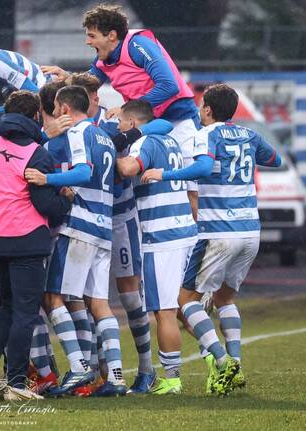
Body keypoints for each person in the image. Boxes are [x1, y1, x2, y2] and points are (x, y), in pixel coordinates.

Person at [141, 84, 282, 396]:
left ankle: (221, 360)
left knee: (186, 300)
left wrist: (162, 174)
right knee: (225, 299)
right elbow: (276, 160)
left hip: (219, 231)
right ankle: (236, 364)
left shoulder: (206, 134)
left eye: (201, 106)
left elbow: (204, 166)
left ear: (207, 110)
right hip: (250, 232)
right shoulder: (248, 134)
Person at [43, 4, 201, 218]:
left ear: (112, 35)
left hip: (178, 121)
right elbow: (88, 85)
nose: (87, 41)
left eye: (92, 35)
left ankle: (194, 247)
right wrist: (67, 77)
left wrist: (127, 107)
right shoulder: (103, 59)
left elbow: (168, 85)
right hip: (148, 125)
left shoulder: (137, 45)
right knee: (142, 188)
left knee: (189, 194)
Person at [0, 90, 73, 401]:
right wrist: (65, 200)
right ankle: (15, 381)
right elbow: (44, 202)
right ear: (36, 116)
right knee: (25, 313)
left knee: (8, 307)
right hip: (27, 239)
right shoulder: (37, 152)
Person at [25, 86, 125, 397]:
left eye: (56, 108)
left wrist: (48, 179)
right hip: (104, 225)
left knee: (52, 296)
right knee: (98, 302)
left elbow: (83, 172)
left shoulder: (80, 132)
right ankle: (116, 376)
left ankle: (79, 366)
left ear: (66, 108)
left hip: (80, 224)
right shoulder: (103, 135)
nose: (54, 114)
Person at [67, 72, 159, 393]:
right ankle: (97, 369)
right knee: (84, 296)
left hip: (120, 218)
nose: (96, 101)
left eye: (95, 95)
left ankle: (146, 369)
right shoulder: (75, 131)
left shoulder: (112, 126)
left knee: (130, 297)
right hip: (89, 219)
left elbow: (156, 127)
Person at [116, 100, 197, 395]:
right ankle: (220, 358)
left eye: (122, 124)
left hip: (162, 237)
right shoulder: (170, 139)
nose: (120, 129)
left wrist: (106, 150)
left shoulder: (143, 141)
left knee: (164, 311)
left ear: (133, 124)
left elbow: (127, 168)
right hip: (185, 231)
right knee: (185, 307)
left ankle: (172, 379)